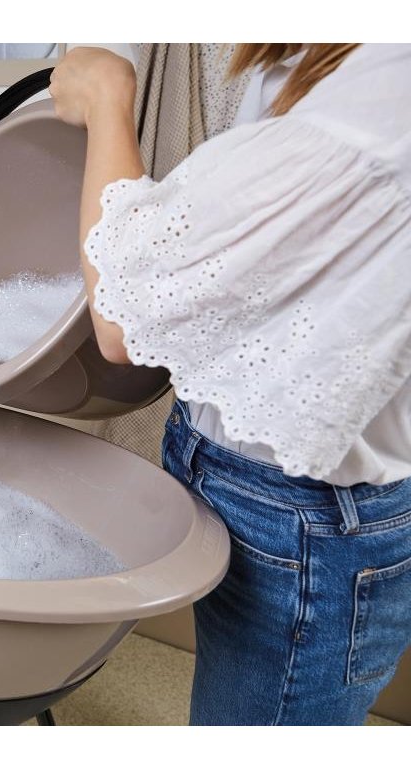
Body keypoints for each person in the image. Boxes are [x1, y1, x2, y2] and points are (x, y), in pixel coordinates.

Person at [48, 43, 411, 725]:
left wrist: (107, 96)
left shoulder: (388, 84)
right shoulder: (311, 64)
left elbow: (123, 317)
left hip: (307, 523)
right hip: (247, 482)